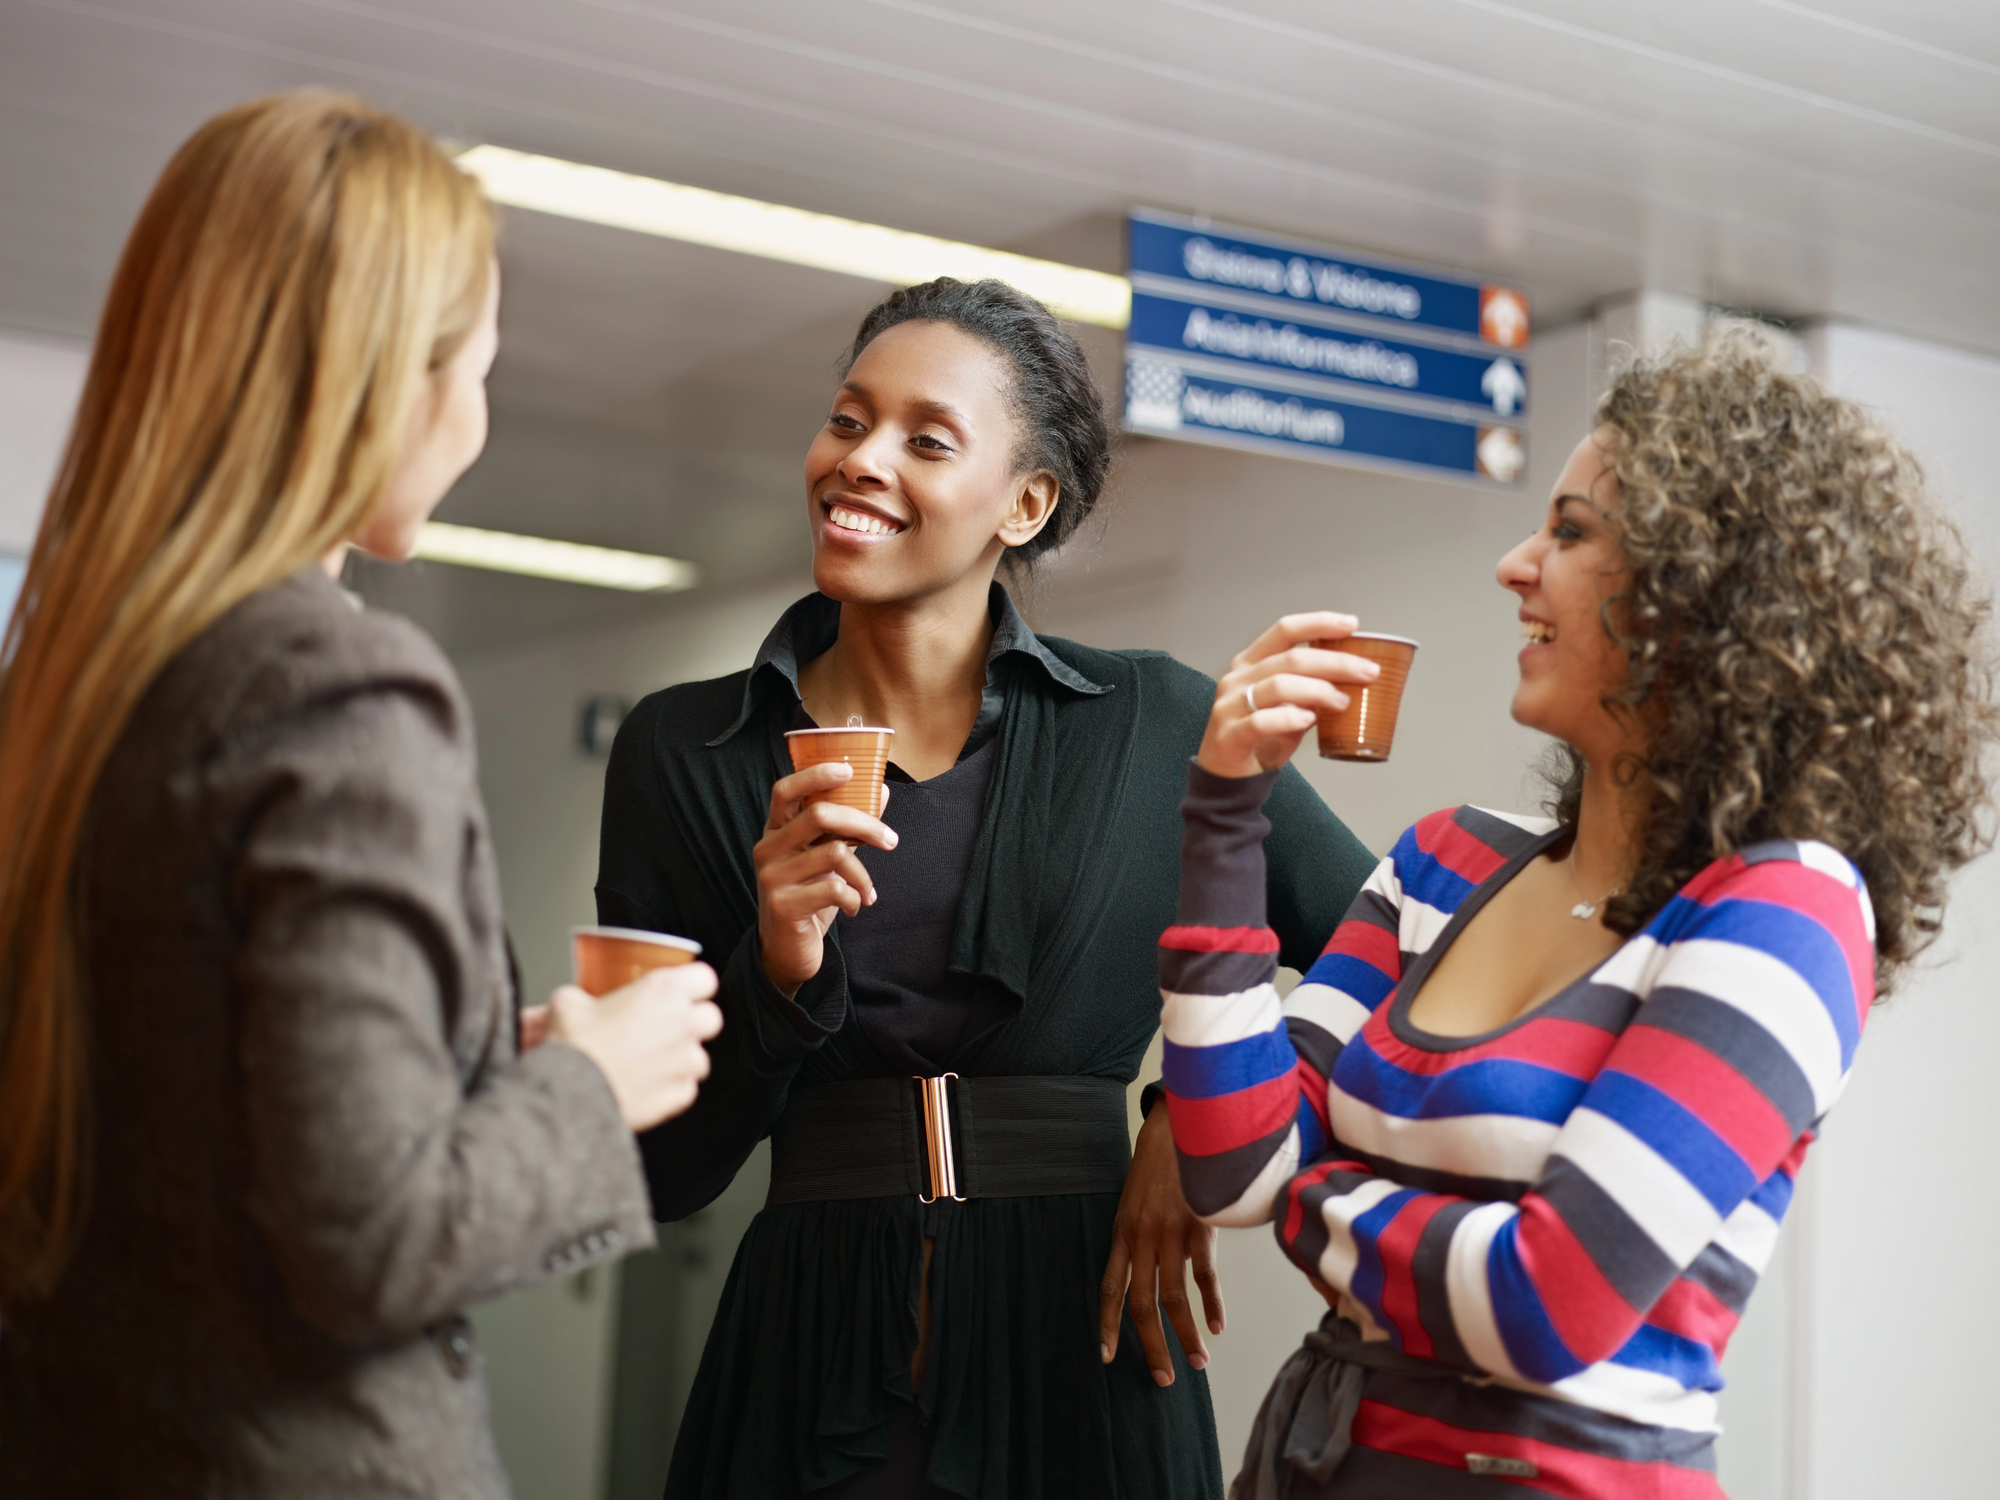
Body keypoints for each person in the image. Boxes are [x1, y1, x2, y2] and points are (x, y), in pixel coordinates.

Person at [0, 92, 724, 1497]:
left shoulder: (71, 684)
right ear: (384, 373)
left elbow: (195, 1110)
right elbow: (369, 1239)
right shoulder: (338, 686)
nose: (474, 418)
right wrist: (591, 1084)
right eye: (477, 369)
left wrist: (478, 1071)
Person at [1158, 327, 1995, 1497]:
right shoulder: (1439, 864)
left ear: (1700, 594)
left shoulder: (1786, 914)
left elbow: (1540, 1305)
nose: (1514, 565)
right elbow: (1225, 1166)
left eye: (1567, 531)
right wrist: (1223, 816)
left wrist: (1308, 1193)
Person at [594, 276, 1380, 1497]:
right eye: (848, 420)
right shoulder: (683, 752)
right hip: (804, 1348)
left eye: (925, 438)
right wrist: (777, 971)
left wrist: (1189, 1114)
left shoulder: (1156, 722)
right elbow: (660, 1167)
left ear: (1024, 504)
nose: (860, 460)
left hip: (1090, 1338)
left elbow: (1382, 957)